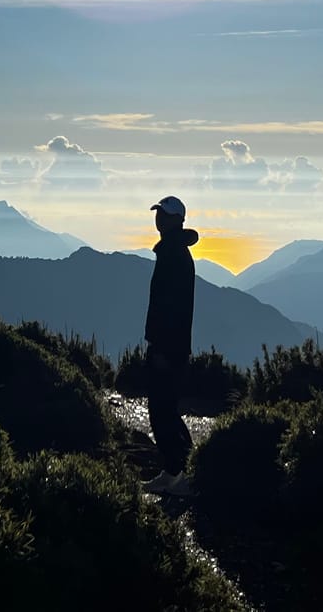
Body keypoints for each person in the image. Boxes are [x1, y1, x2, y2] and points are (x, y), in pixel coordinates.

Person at [140, 195, 198, 497]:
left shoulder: (174, 255)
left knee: (163, 411)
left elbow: (173, 309)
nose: (159, 217)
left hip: (169, 348)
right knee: (164, 410)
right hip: (169, 346)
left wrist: (162, 349)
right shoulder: (172, 252)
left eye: (165, 214)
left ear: (178, 220)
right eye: (158, 212)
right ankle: (176, 470)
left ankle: (182, 474)